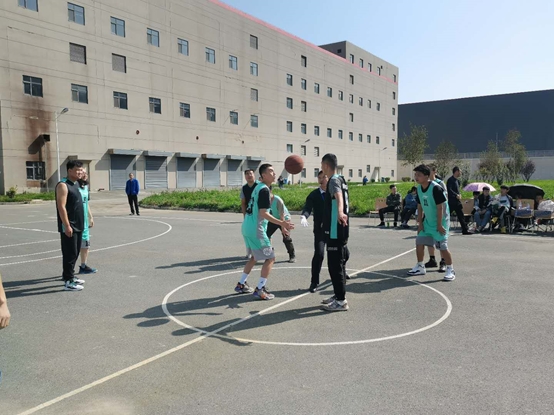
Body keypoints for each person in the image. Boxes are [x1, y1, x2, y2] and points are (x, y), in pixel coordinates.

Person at [235, 164, 294, 300]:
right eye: (271, 171)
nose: (274, 173)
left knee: (255, 257)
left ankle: (241, 284)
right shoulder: (264, 190)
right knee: (270, 258)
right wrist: (282, 223)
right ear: (263, 175)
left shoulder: (257, 188)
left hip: (247, 227)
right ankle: (260, 289)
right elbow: (263, 213)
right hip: (256, 229)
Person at [408, 164, 456, 281]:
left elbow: (440, 208)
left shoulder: (436, 188)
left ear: (426, 176)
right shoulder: (419, 189)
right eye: (415, 175)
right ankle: (420, 266)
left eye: (419, 175)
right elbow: (419, 206)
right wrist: (420, 223)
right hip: (428, 222)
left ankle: (450, 270)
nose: (416, 177)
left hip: (440, 221)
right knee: (419, 241)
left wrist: (439, 225)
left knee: (442, 247)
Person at [320, 153, 350, 311]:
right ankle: (339, 294)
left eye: (321, 165)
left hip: (335, 229)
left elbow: (338, 195)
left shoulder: (333, 181)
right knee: (340, 264)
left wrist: (339, 211)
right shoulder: (341, 179)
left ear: (326, 165)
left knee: (335, 265)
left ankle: (341, 301)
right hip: (341, 228)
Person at [56, 160, 86, 291]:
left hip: (78, 225)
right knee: (70, 253)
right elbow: (61, 207)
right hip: (70, 226)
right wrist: (67, 225)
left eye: (81, 170)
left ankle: (69, 275)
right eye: (77, 170)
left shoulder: (76, 184)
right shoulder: (63, 185)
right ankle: (68, 281)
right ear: (69, 171)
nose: (80, 172)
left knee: (75, 252)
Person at [301, 171, 328, 292]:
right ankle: (314, 282)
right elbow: (308, 208)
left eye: (324, 177)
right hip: (320, 230)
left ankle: (342, 271)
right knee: (319, 254)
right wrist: (304, 216)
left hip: (333, 229)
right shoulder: (314, 194)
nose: (322, 180)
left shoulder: (334, 193)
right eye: (319, 177)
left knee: (343, 254)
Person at [425, 165, 447, 272]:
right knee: (429, 238)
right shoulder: (425, 184)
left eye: (429, 170)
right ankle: (432, 259)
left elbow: (444, 200)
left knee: (440, 239)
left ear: (434, 171)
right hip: (429, 215)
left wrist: (442, 217)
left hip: (439, 215)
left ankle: (443, 261)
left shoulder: (440, 183)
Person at [267, 192, 296, 263]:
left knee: (286, 238)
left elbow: (282, 215)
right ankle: (270, 253)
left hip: (284, 220)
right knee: (265, 236)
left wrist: (283, 228)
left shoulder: (278, 200)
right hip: (274, 220)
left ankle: (292, 255)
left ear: (270, 192)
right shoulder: (264, 201)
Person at [78, 170, 97, 274]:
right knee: (74, 247)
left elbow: (86, 203)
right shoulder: (75, 187)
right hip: (77, 221)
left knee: (86, 245)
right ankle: (68, 272)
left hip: (84, 221)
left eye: (86, 173)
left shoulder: (85, 187)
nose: (85, 175)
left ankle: (83, 266)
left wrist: (91, 217)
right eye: (83, 173)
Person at [447, 166, 472, 235]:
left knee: (461, 216)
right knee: (446, 215)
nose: (461, 173)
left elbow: (457, 190)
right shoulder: (450, 180)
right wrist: (456, 195)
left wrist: (459, 194)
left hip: (457, 202)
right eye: (460, 171)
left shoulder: (458, 181)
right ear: (456, 171)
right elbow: (449, 190)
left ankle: (465, 230)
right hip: (451, 202)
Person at [240, 169, 259, 258]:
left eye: (250, 173)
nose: (249, 175)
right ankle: (249, 252)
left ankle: (265, 251)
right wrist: (245, 215)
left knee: (261, 233)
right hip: (250, 213)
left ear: (254, 174)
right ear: (245, 176)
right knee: (247, 232)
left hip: (260, 213)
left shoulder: (259, 185)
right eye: (247, 174)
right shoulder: (244, 188)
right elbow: (243, 203)